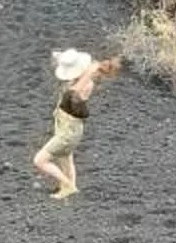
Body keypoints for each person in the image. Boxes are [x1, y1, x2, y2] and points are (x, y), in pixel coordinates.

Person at [33, 47, 117, 199]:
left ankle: (67, 185)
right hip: (70, 129)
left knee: (40, 160)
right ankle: (71, 187)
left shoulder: (81, 86)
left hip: (68, 131)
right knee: (65, 158)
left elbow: (76, 89)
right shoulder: (80, 81)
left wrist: (91, 70)